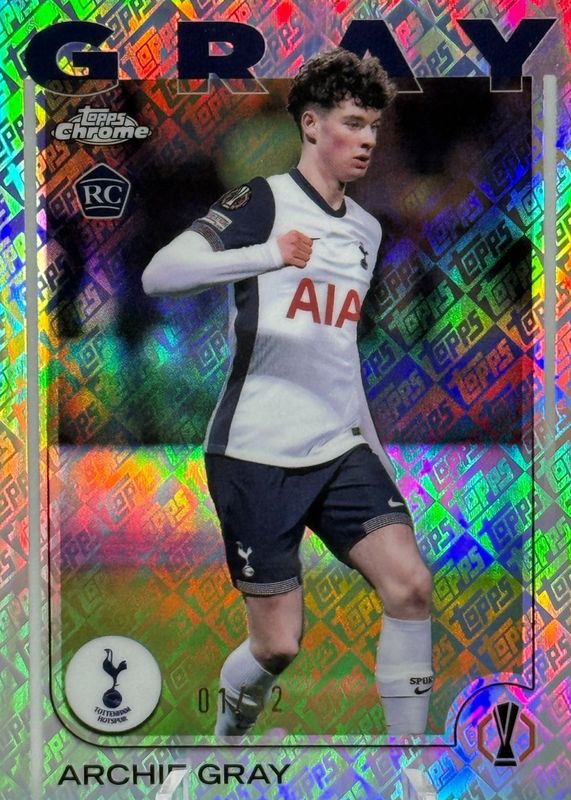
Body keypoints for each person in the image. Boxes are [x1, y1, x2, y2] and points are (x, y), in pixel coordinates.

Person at [142, 48, 433, 738]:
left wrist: (374, 451)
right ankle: (223, 749)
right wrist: (268, 254)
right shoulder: (263, 201)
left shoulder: (365, 231)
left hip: (338, 446)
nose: (367, 139)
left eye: (373, 126)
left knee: (410, 585)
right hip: (254, 451)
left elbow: (340, 355)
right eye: (352, 123)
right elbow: (160, 274)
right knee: (277, 645)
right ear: (310, 124)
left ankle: (410, 764)